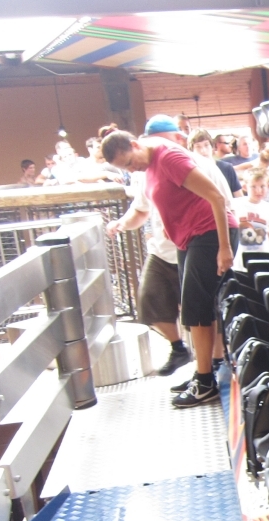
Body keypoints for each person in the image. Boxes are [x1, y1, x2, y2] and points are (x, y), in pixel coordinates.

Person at [102, 126, 239, 408]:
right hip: (189, 238)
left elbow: (216, 197)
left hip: (209, 233)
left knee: (196, 310)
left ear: (135, 144)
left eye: (130, 162)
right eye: (126, 168)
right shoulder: (148, 168)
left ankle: (205, 382)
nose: (132, 169)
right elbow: (154, 206)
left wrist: (224, 247)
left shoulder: (168, 158)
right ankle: (206, 371)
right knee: (198, 308)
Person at [106, 172, 191, 376]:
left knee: (200, 314)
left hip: (192, 250)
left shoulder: (188, 170)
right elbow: (140, 210)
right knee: (148, 299)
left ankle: (212, 367)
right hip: (160, 253)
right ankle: (179, 349)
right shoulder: (147, 177)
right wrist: (121, 223)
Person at [234, 167, 269, 261]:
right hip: (240, 258)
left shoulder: (268, 208)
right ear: (245, 187)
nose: (258, 191)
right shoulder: (235, 204)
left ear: (268, 186)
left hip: (263, 257)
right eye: (253, 187)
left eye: (262, 186)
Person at [187, 128, 243, 197]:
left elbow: (239, 196)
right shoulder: (192, 173)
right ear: (191, 151)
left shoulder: (227, 168)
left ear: (212, 147)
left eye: (206, 145)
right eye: (198, 147)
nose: (203, 150)